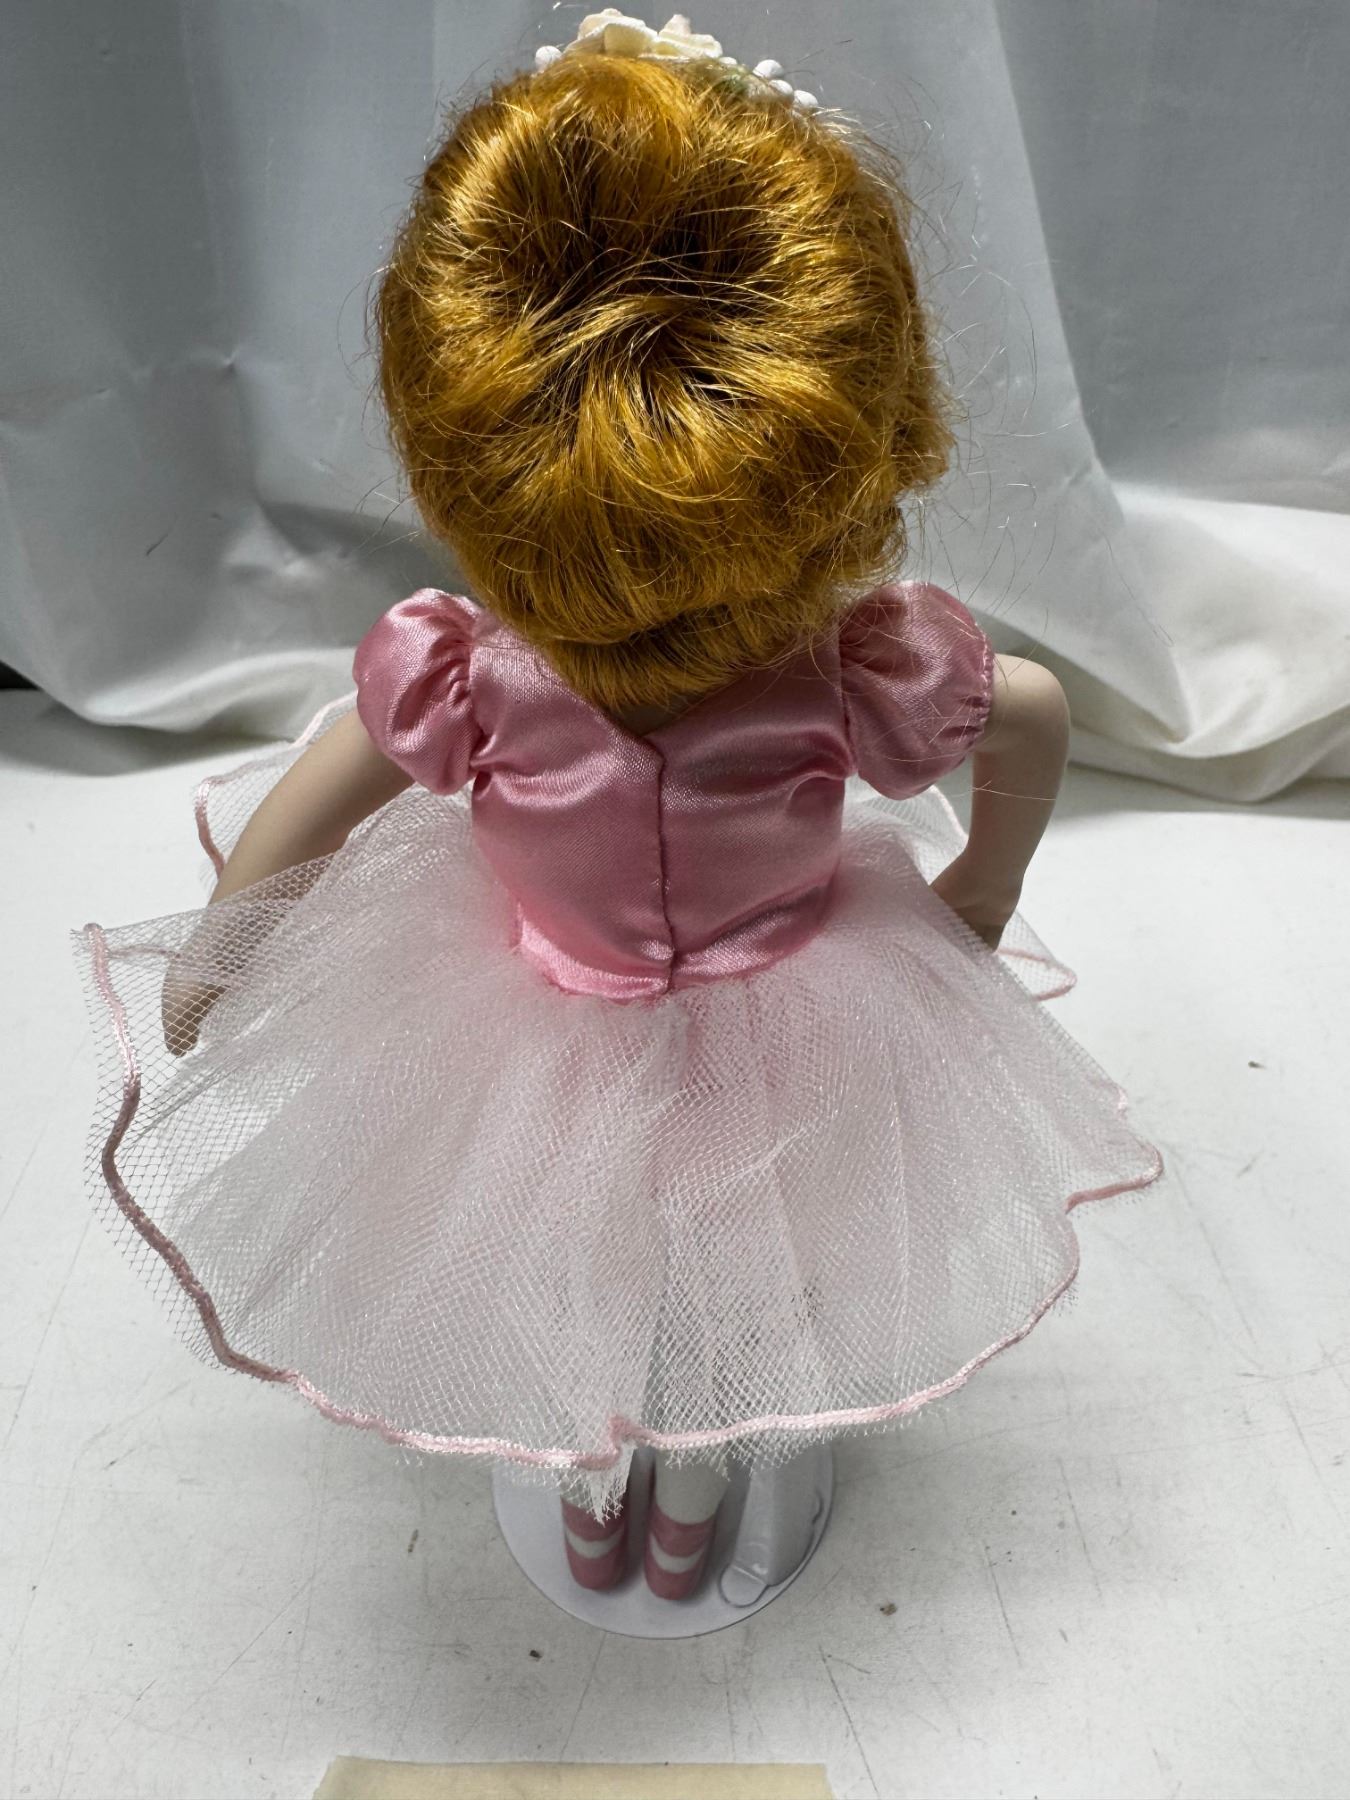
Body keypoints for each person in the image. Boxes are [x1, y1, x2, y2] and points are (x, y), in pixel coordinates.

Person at [73, 12, 1163, 1604]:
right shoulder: (822, 672)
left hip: (717, 1008)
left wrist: (219, 962)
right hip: (622, 1003)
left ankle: (654, 1481)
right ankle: (619, 1485)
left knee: (711, 1278)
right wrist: (984, 884)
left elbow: (311, 809)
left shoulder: (474, 674)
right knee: (625, 1270)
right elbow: (1036, 713)